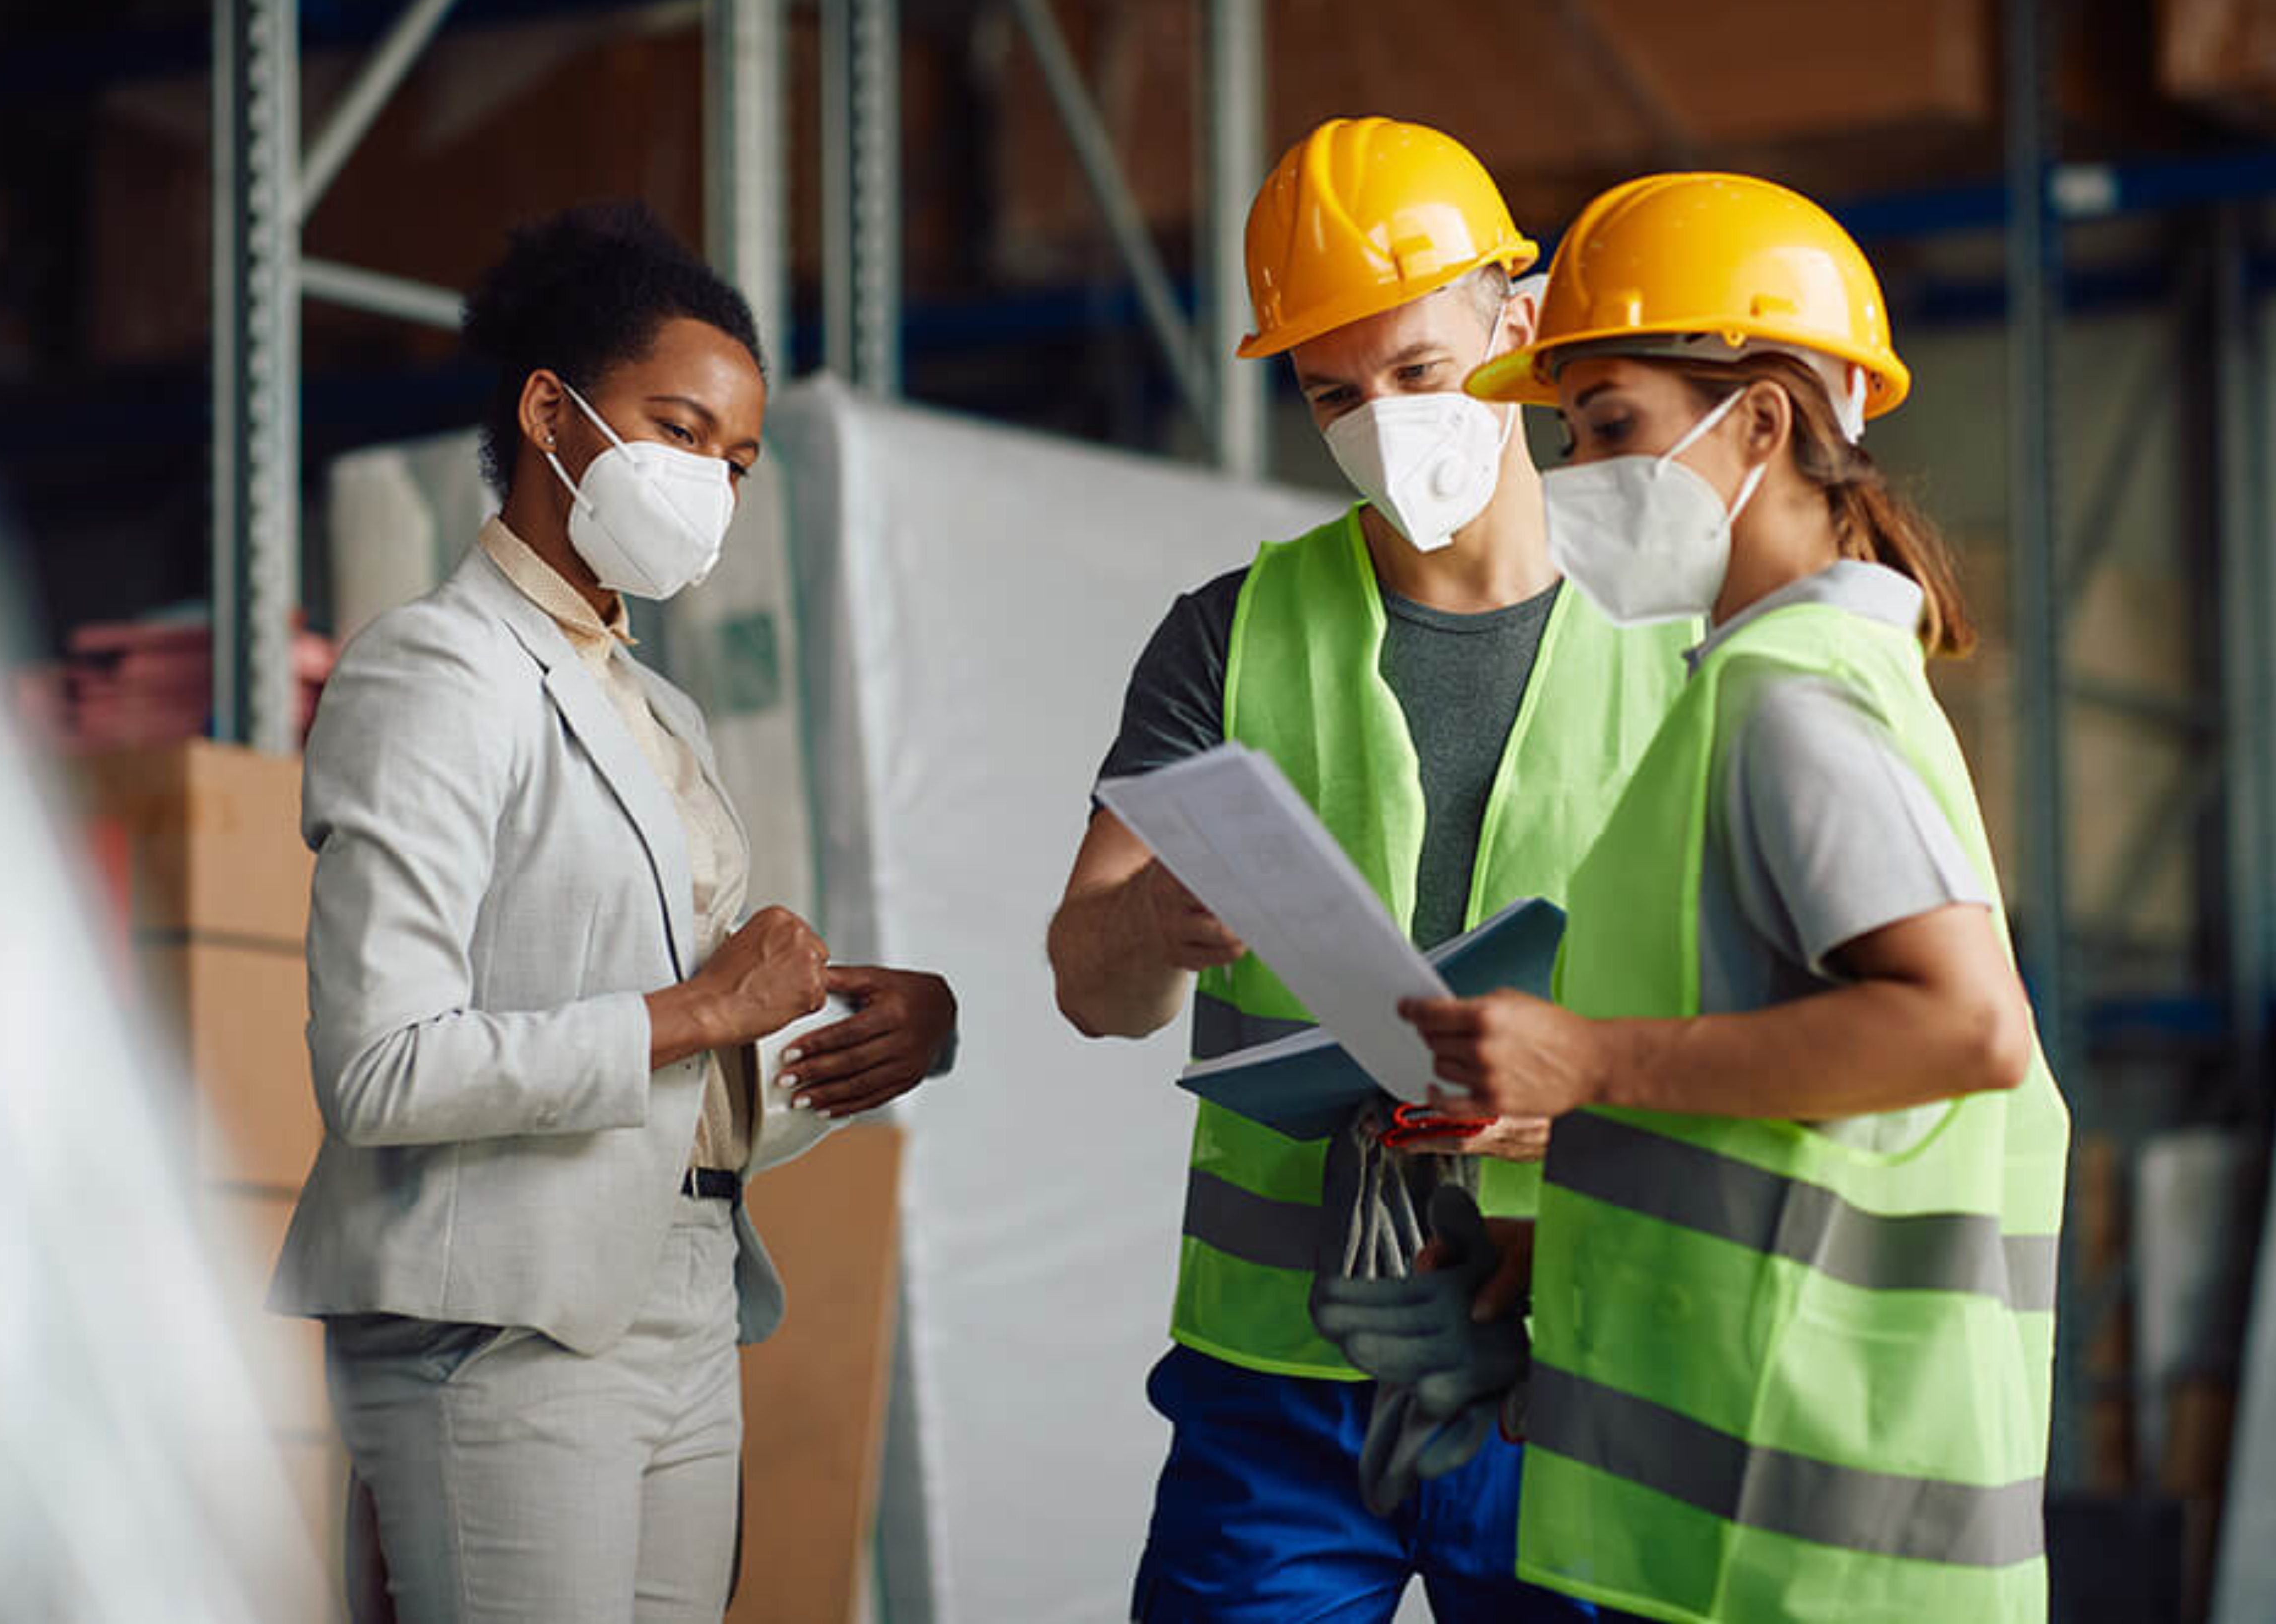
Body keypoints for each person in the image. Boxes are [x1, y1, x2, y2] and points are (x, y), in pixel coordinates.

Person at [1382, 172, 2070, 1623]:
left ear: (1761, 421)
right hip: (1789, 1527)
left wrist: (1584, 1062)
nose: (1579, 472)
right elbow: (1799, 1126)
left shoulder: (1788, 706)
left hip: (1822, 1552)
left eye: (1616, 423)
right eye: (1568, 432)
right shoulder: (1790, 691)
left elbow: (1966, 1031)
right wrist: (1554, 1261)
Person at [268, 201, 959, 1624]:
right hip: (504, 1330)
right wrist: (709, 1007)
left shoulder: (659, 712)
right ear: (550, 412)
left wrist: (868, 1038)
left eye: (740, 459)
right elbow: (382, 1068)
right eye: (680, 428)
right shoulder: (434, 672)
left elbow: (677, 1066)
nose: (711, 480)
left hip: (684, 1291)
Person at [1046, 117, 1691, 1622]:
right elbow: (1090, 985)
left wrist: (1591, 1094)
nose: (1384, 423)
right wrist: (1149, 919)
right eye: (1335, 394)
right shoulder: (1231, 630)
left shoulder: (1688, 634)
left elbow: (1790, 1011)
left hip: (1577, 1357)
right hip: (1279, 1388)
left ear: (1518, 323)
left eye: (1418, 371)